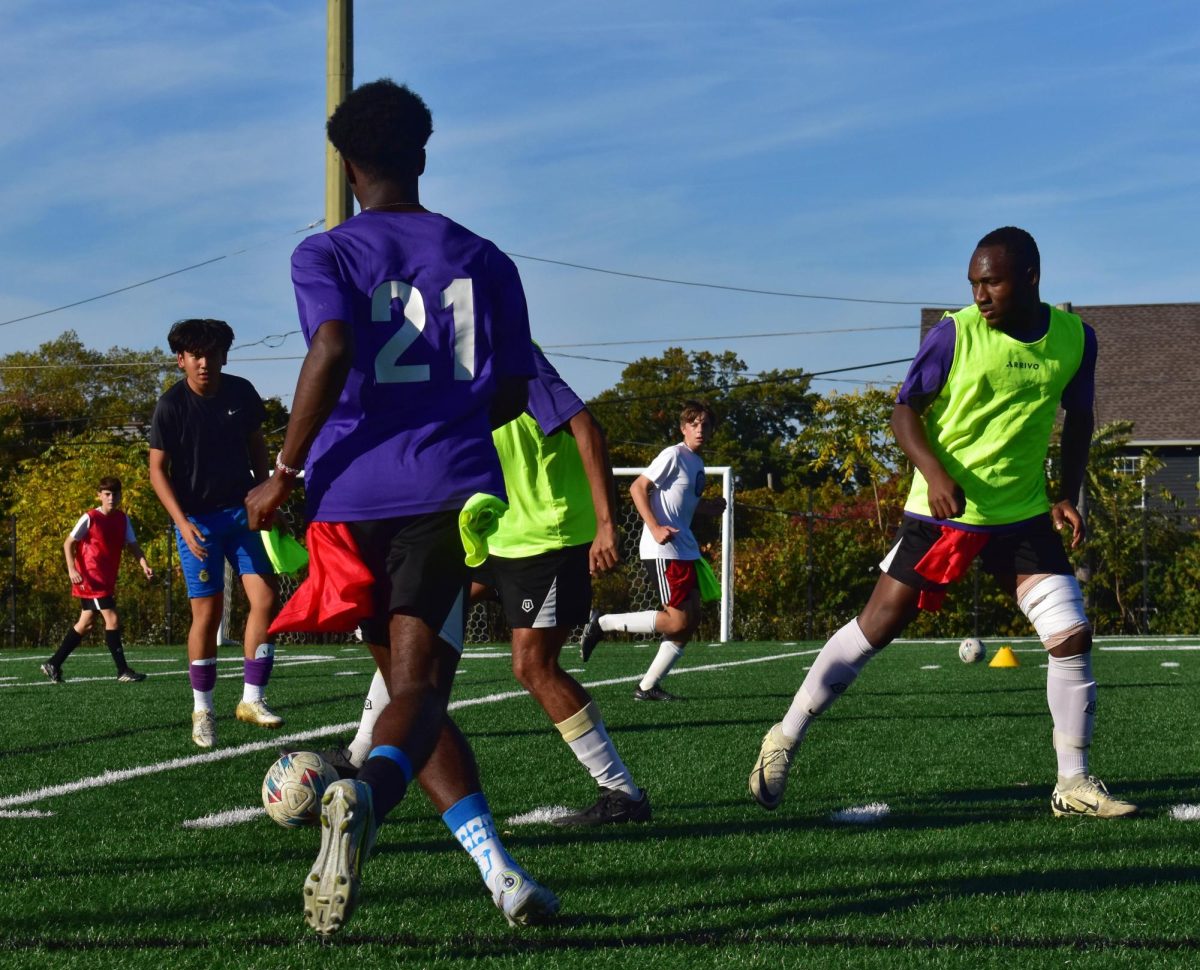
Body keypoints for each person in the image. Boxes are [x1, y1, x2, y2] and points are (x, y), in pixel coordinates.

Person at [244, 79, 555, 935]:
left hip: (346, 499)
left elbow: (333, 344)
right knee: (416, 692)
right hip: (440, 496)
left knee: (405, 694)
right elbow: (516, 392)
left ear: (347, 166)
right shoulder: (486, 258)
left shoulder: (325, 253)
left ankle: (502, 876)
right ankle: (368, 798)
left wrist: (284, 467)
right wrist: (450, 422)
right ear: (422, 155)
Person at [748, 226, 1137, 820]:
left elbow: (1079, 420)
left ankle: (1073, 782)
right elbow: (904, 410)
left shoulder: (1076, 339)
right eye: (974, 283)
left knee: (1070, 633)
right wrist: (932, 473)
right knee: (876, 625)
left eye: (992, 282)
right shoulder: (954, 333)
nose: (980, 294)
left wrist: (1067, 494)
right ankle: (784, 735)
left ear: (1030, 278)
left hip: (1024, 514)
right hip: (946, 512)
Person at [324, 345, 651, 828]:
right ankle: (358, 753)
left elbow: (587, 428)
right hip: (492, 535)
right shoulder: (446, 369)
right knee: (413, 624)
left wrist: (606, 525)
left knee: (533, 666)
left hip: (546, 538)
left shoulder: (514, 356)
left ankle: (622, 792)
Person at [148, 318, 283, 750]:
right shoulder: (171, 406)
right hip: (198, 522)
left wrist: (265, 494)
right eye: (195, 355)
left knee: (266, 599)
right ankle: (203, 709)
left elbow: (258, 444)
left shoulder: (241, 392)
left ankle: (252, 699)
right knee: (207, 615)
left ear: (225, 356)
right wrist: (182, 522)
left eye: (212, 353)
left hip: (243, 512)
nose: (205, 362)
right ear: (181, 359)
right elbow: (156, 470)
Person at [579, 400, 726, 701]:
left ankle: (647, 687)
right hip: (664, 549)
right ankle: (602, 623)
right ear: (683, 428)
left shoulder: (697, 464)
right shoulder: (672, 454)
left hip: (685, 549)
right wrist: (656, 528)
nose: (700, 429)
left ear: (712, 431)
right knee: (677, 620)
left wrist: (708, 507)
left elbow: (682, 503)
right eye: (694, 423)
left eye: (705, 425)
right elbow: (637, 487)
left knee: (691, 619)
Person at [40, 476, 154, 684]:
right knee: (112, 619)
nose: (111, 498)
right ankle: (123, 671)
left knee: (86, 624)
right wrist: (71, 569)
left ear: (120, 496)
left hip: (106, 579)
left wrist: (144, 564)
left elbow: (133, 545)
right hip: (91, 579)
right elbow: (68, 543)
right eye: (107, 494)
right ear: (99, 495)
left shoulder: (122, 519)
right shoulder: (90, 517)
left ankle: (53, 664)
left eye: (115, 494)